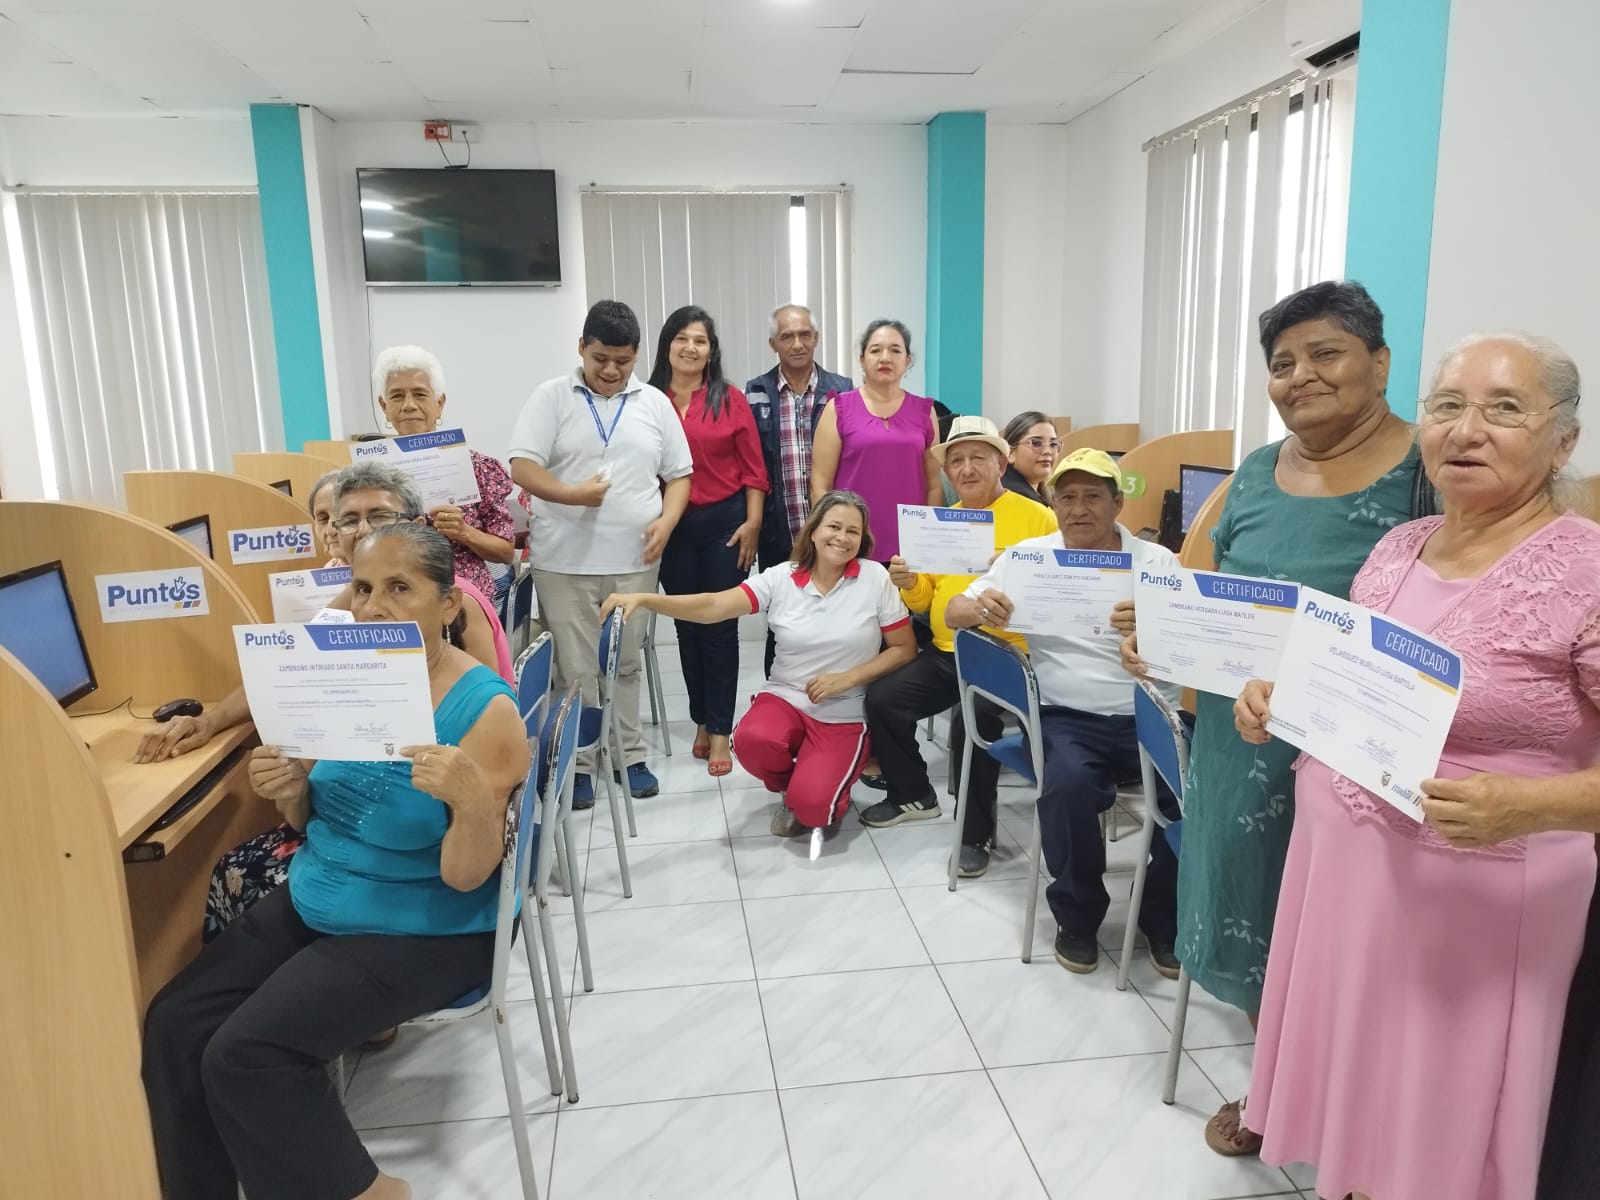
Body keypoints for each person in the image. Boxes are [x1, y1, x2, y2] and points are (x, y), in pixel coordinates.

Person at [1233, 333, 1599, 1200]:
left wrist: (1534, 805)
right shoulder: (1401, 545)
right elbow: (1360, 684)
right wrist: (1278, 696)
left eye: (1504, 409)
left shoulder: (1586, 569)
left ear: (1563, 441)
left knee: (1442, 1110)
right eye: (1447, 406)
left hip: (1478, 907)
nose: (1466, 430)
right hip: (1347, 884)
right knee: (1365, 1088)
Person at [1120, 280, 1421, 1157]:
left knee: (1354, 936)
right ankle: (1279, 1086)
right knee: (1254, 909)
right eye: (1283, 363)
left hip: (1357, 750)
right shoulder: (1255, 470)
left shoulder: (1427, 473)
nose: (1301, 377)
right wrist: (1161, 636)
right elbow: (1217, 591)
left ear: (1380, 363)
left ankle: (1361, 1115)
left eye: (1326, 354)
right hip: (1237, 742)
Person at [142, 522, 530, 1200]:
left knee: (249, 1055)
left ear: (448, 604)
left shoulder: (485, 710)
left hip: (426, 923)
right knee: (176, 1024)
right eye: (363, 587)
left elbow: (467, 875)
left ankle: (372, 1192)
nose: (373, 607)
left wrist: (472, 804)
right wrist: (292, 791)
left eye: (399, 588)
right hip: (325, 892)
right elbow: (319, 820)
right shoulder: (349, 676)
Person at [951, 449, 1183, 975]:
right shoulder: (1028, 559)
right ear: (1053, 504)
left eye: (1092, 496)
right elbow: (953, 611)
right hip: (1067, 715)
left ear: (1118, 503)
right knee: (1069, 788)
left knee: (1199, 791)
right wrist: (982, 607)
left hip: (1149, 710)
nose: (1078, 509)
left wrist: (1156, 627)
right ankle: (1077, 918)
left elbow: (1191, 646)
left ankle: (1161, 914)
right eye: (1067, 498)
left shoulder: (1156, 562)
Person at [603, 491, 915, 836]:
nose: (842, 537)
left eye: (852, 531)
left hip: (844, 710)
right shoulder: (781, 577)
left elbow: (904, 649)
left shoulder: (875, 578)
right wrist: (647, 599)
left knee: (815, 811)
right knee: (752, 740)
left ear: (862, 539)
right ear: (813, 530)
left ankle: (824, 780)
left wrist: (848, 678)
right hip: (785, 698)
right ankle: (794, 785)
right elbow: (714, 606)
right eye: (834, 527)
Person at [508, 300, 694, 805]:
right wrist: (571, 495)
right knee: (576, 670)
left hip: (635, 561)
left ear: (636, 355)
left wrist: (667, 522)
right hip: (564, 563)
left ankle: (629, 755)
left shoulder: (654, 403)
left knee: (625, 663)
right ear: (582, 348)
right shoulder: (551, 397)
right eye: (600, 359)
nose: (611, 371)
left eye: (623, 361)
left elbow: (680, 475)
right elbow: (522, 466)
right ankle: (579, 761)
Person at [859, 416, 1057, 863]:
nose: (967, 469)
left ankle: (974, 835)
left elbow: (1054, 589)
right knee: (884, 699)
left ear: (1001, 463)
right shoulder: (942, 522)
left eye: (978, 458)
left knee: (973, 721)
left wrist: (1015, 568)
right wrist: (909, 582)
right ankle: (913, 794)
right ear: (947, 472)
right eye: (957, 461)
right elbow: (925, 600)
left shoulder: (1037, 518)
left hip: (1009, 656)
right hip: (949, 651)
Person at [648, 305, 770, 776]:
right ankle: (700, 718)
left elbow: (754, 470)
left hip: (725, 525)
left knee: (719, 629)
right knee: (687, 628)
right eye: (682, 338)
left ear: (711, 351)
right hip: (671, 527)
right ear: (667, 346)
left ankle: (720, 729)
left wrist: (753, 524)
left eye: (700, 340)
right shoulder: (648, 399)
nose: (690, 348)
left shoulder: (729, 399)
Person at [373, 345, 515, 601]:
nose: (408, 405)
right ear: (384, 406)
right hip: (391, 596)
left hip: (462, 597)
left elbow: (505, 551)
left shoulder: (476, 467)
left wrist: (464, 532)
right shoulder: (372, 476)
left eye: (420, 394)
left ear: (439, 403)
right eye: (397, 396)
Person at [810, 319, 942, 562]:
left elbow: (934, 484)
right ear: (862, 360)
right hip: (850, 542)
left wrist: (930, 538)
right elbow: (820, 483)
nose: (885, 358)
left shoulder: (925, 412)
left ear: (907, 360)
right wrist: (829, 536)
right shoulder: (838, 408)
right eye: (875, 350)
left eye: (895, 350)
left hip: (910, 546)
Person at [746, 304, 855, 572]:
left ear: (815, 338)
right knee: (781, 599)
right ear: (773, 343)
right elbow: (751, 466)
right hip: (777, 532)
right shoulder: (756, 392)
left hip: (836, 534)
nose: (798, 344)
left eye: (805, 335)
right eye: (787, 337)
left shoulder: (843, 391)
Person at [1000, 411, 1062, 504]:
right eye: (1036, 443)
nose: (1047, 451)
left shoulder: (1040, 494)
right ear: (1010, 453)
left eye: (1053, 444)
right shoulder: (1012, 498)